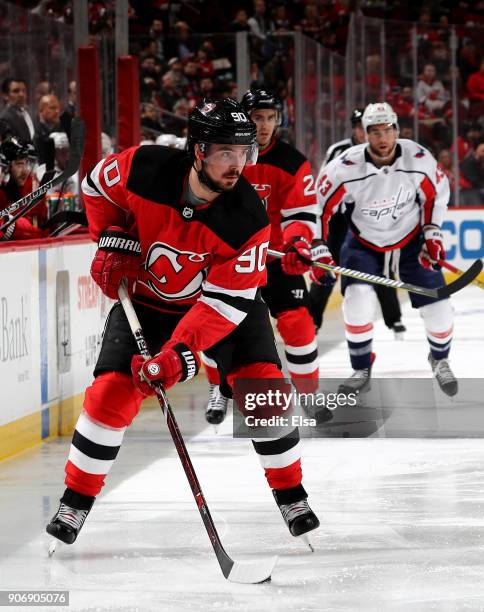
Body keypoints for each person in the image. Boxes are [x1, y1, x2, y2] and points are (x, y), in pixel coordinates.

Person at [45, 98, 319, 546]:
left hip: (223, 307)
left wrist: (180, 355)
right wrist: (109, 240)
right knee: (110, 394)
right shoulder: (144, 166)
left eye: (244, 153)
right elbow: (94, 186)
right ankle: (74, 503)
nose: (237, 165)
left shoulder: (247, 217)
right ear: (198, 150)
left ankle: (291, 494)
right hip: (150, 302)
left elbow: (225, 305)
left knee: (263, 388)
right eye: (226, 153)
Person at [317, 102, 457, 397]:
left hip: (411, 242)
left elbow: (436, 197)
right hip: (363, 243)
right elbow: (318, 209)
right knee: (357, 299)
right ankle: (361, 367)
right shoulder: (344, 167)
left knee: (440, 307)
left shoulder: (418, 158)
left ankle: (440, 359)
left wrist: (432, 233)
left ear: (397, 130)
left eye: (388, 130)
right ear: (365, 134)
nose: (383, 138)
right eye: (375, 131)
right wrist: (317, 244)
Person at [202, 88, 322, 425]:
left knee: (298, 322)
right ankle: (218, 389)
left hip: (277, 257)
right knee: (216, 323)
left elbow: (301, 213)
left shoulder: (292, 162)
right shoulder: (224, 155)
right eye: (257, 118)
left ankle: (309, 395)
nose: (265, 125)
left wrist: (298, 243)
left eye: (271, 118)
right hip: (232, 259)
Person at [309, 109, 406, 337]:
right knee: (326, 268)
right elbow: (323, 185)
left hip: (371, 218)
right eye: (360, 128)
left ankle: (394, 319)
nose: (364, 133)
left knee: (382, 268)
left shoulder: (385, 152)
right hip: (339, 220)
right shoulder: (339, 151)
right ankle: (312, 320)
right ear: (356, 129)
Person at [0, 136, 46, 240]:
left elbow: (42, 224)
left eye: (27, 163)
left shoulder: (31, 184)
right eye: (19, 164)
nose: (25, 170)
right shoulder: (2, 190)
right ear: (7, 168)